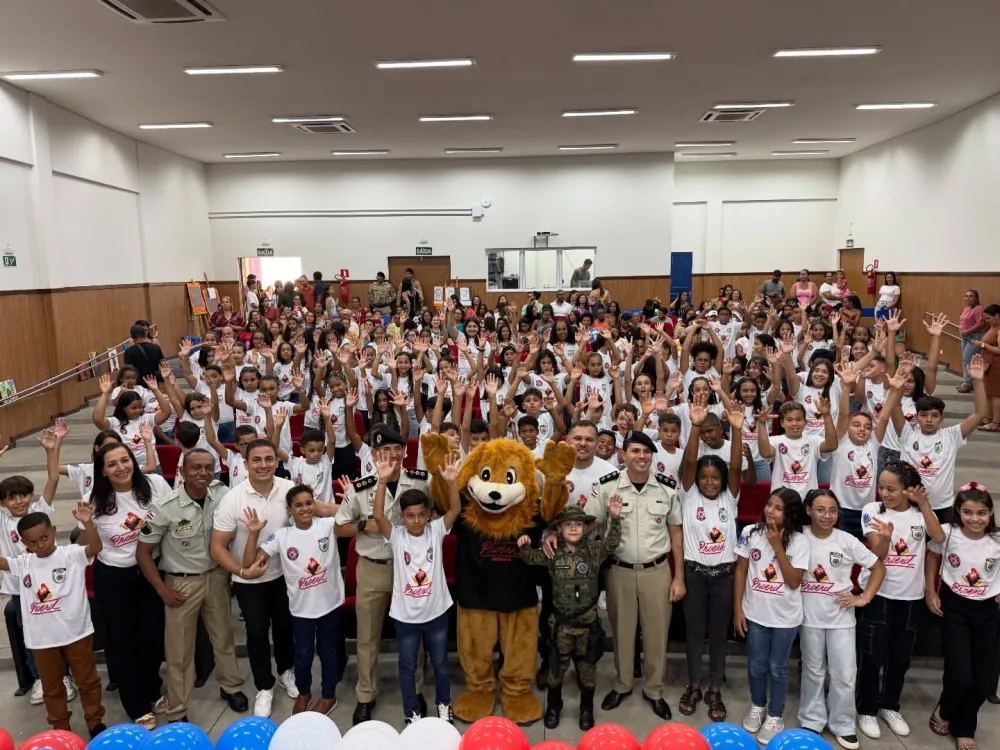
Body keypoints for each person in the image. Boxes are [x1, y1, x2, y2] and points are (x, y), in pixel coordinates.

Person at [211, 440, 338, 718]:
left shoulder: (287, 489)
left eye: (269, 459)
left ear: (276, 461)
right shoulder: (233, 498)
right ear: (245, 464)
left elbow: (322, 510)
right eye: (256, 460)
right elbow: (217, 547)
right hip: (248, 580)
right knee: (256, 633)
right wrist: (242, 572)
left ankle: (285, 673)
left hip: (284, 575)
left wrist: (352, 506)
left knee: (284, 630)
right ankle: (264, 687)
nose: (264, 465)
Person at [135, 450, 249, 723]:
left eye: (209, 468)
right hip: (181, 583)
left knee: (222, 637)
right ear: (183, 471)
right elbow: (142, 553)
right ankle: (178, 708)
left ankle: (230, 686)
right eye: (196, 468)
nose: (203, 473)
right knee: (180, 649)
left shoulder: (221, 495)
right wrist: (163, 590)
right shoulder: (165, 507)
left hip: (217, 576)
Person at [333, 426, 432, 724]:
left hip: (409, 570)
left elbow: (436, 517)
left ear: (404, 452)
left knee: (413, 635)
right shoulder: (361, 487)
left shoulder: (421, 482)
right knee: (367, 636)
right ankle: (366, 695)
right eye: (382, 451)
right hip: (373, 567)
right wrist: (365, 526)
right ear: (373, 455)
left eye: (395, 449)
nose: (389, 455)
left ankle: (414, 692)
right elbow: (339, 527)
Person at [588, 430, 685, 720]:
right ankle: (623, 684)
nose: (641, 457)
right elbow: (592, 522)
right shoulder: (608, 487)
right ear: (624, 454)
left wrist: (678, 576)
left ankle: (654, 690)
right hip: (620, 571)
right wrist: (557, 532)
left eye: (646, 452)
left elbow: (676, 534)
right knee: (622, 632)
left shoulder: (666, 488)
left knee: (657, 635)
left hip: (657, 572)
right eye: (635, 451)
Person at [0, 505, 106, 738]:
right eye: (33, 543)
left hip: (76, 633)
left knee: (87, 681)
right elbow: (3, 563)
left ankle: (95, 721)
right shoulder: (24, 562)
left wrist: (88, 523)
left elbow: (96, 547)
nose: (41, 545)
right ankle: (60, 727)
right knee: (52, 687)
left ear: (54, 530)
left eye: (45, 538)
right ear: (24, 543)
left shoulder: (70, 554)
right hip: (41, 640)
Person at [857, 460, 944, 740]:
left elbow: (939, 537)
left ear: (909, 490)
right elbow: (877, 556)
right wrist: (884, 538)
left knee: (900, 658)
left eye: (892, 489)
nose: (884, 493)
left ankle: (890, 706)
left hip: (911, 599)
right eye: (881, 487)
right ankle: (867, 709)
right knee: (872, 656)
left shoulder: (920, 515)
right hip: (879, 595)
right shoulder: (873, 511)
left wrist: (924, 505)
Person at [87, 443, 172, 729]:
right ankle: (135, 704)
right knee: (123, 642)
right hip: (115, 578)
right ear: (103, 470)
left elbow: (173, 518)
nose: (121, 467)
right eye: (112, 464)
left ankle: (152, 690)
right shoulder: (95, 499)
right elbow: (91, 546)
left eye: (125, 460)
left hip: (151, 573)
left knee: (151, 638)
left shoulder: (155, 484)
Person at [372, 450, 460, 724]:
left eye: (422, 515)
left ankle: (444, 706)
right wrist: (383, 481)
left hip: (436, 614)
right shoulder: (396, 536)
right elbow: (377, 515)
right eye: (410, 516)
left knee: (441, 664)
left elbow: (455, 510)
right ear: (402, 517)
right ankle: (411, 712)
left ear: (429, 515)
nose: (417, 520)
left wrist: (450, 483)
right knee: (407, 666)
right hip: (406, 617)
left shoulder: (436, 530)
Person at [241, 484, 344, 716]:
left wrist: (347, 503)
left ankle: (329, 695)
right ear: (289, 510)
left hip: (330, 605)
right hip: (300, 610)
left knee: (328, 652)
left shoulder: (327, 526)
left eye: (309, 503)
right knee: (303, 654)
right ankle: (304, 693)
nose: (305, 508)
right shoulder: (282, 536)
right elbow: (249, 563)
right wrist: (254, 532)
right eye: (298, 505)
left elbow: (358, 523)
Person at [520, 501, 622, 731]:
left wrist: (615, 518)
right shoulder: (552, 552)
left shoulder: (593, 552)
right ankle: (554, 707)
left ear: (585, 528)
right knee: (556, 671)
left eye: (578, 524)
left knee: (587, 672)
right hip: (562, 626)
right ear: (560, 529)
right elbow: (530, 559)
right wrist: (524, 545)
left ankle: (586, 709)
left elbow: (612, 543)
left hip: (587, 626)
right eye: (568, 525)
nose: (574, 528)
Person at [799, 489, 884, 750]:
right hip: (808, 617)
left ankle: (843, 723)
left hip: (842, 618)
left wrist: (865, 597)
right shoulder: (799, 537)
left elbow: (878, 567)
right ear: (808, 510)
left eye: (833, 510)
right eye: (821, 509)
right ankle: (812, 719)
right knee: (813, 671)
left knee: (845, 673)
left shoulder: (846, 540)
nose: (827, 515)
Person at [677, 404, 744, 722]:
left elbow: (735, 466)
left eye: (714, 478)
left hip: (723, 577)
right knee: (693, 633)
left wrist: (738, 429)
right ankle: (693, 684)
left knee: (719, 634)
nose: (709, 482)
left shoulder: (731, 498)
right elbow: (689, 461)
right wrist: (694, 425)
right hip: (694, 574)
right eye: (704, 477)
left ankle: (714, 687)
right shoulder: (688, 495)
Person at [925, 484, 1000, 750]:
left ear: (990, 513)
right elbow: (933, 557)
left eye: (981, 513)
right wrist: (930, 590)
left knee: (981, 680)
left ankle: (965, 726)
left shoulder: (997, 540)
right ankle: (945, 710)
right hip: (955, 608)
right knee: (960, 675)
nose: (975, 519)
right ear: (958, 511)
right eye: (968, 512)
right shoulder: (948, 534)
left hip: (988, 611)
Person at [734, 488, 809, 744]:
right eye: (769, 505)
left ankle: (775, 715)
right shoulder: (749, 533)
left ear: (790, 514)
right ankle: (758, 705)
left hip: (786, 619)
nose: (770, 511)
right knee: (756, 665)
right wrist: (738, 609)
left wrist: (777, 546)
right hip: (756, 614)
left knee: (778, 668)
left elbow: (793, 581)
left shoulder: (800, 541)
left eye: (778, 508)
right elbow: (741, 572)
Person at [971, 303, 1000, 430]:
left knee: (995, 395)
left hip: (996, 365)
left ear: (997, 315)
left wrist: (983, 345)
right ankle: (988, 418)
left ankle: (996, 423)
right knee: (988, 394)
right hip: (988, 364)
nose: (987, 321)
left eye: (989, 318)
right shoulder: (993, 327)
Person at [958, 290, 988, 393]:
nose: (968, 298)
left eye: (971, 296)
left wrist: (966, 332)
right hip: (966, 337)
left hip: (974, 337)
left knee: (966, 360)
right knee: (965, 360)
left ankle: (966, 384)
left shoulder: (979, 308)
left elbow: (981, 323)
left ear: (976, 298)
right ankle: (967, 382)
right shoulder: (967, 308)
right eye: (966, 296)